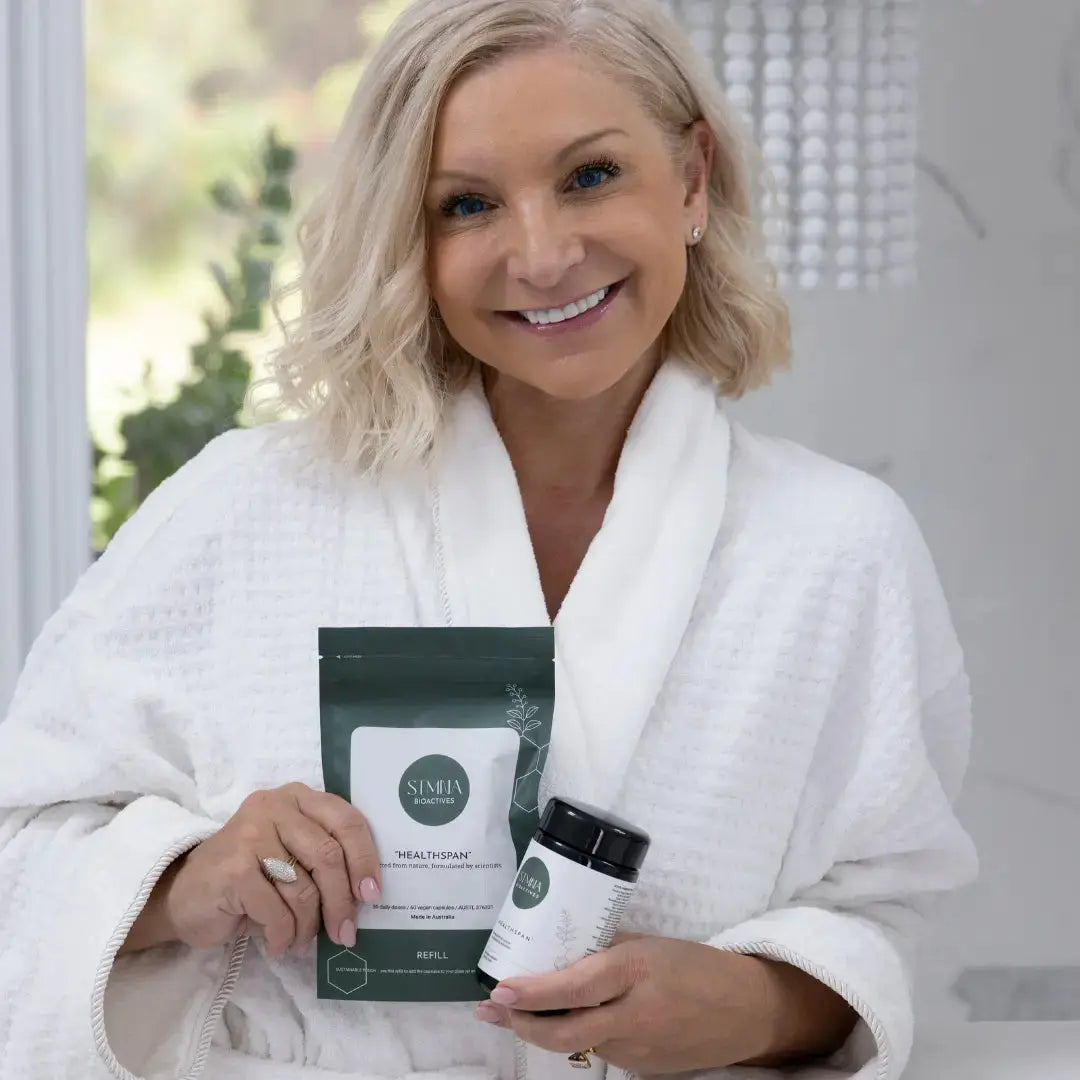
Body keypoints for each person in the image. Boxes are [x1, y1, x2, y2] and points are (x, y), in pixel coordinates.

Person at [0, 1, 977, 1078]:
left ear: (694, 180)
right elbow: (19, 847)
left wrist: (760, 1002)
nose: (544, 254)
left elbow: (886, 914)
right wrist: (184, 878)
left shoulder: (835, 549)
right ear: (405, 241)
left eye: (591, 175)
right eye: (466, 204)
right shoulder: (246, 509)